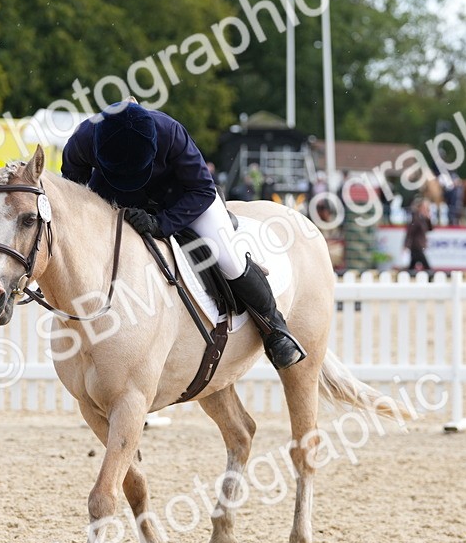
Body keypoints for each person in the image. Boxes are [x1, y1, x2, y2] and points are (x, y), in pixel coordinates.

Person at [62, 102, 305, 369]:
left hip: (181, 198)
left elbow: (201, 190)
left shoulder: (170, 132)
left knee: (227, 256)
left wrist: (160, 224)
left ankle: (275, 329)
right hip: (115, 196)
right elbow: (74, 194)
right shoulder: (83, 139)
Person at [405, 198, 433, 272]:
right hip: (416, 245)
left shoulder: (423, 219)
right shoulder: (416, 218)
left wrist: (428, 218)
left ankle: (408, 275)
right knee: (426, 266)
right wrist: (406, 245)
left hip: (420, 245)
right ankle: (430, 277)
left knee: (412, 265)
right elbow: (410, 233)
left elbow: (430, 229)